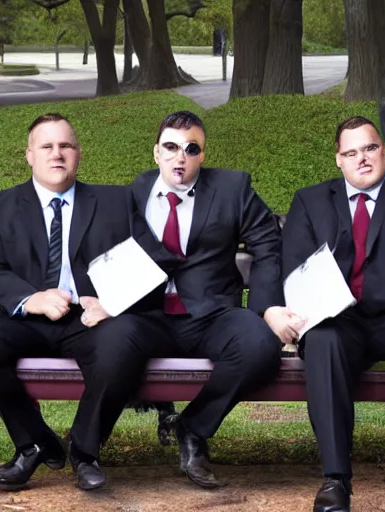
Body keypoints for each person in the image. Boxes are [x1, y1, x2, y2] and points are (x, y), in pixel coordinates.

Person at [0, 113, 171, 493]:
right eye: (47, 147)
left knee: (123, 343)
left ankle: (85, 452)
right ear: (29, 155)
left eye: (66, 146)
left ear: (78, 154)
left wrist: (112, 302)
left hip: (89, 317)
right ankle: (34, 442)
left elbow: (156, 260)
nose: (57, 155)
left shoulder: (116, 201)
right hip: (21, 317)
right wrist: (32, 298)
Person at [128, 110, 303, 488]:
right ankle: (86, 444)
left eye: (191, 149)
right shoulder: (134, 192)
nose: (181, 156)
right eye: (171, 147)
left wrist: (268, 307)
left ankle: (193, 427)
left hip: (211, 315)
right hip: (150, 316)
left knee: (258, 345)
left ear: (202, 155)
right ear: (156, 152)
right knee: (109, 341)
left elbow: (268, 242)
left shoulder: (232, 188)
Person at [282, 116, 385, 512]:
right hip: (338, 322)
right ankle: (336, 480)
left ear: (383, 151)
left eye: (370, 148)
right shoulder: (310, 201)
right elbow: (293, 267)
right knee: (323, 341)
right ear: (338, 160)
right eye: (351, 152)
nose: (362, 159)